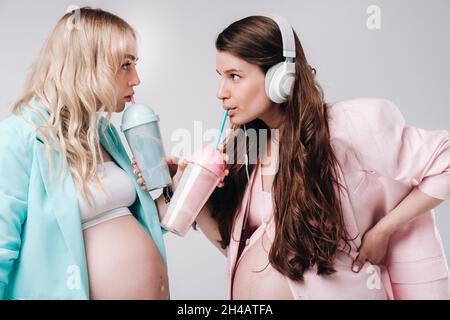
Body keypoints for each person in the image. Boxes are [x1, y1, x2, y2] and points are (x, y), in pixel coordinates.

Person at [137, 15, 450, 299]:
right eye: (221, 76)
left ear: (280, 79)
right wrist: (188, 190)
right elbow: (235, 248)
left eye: (234, 76)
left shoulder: (349, 125)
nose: (221, 91)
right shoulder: (247, 146)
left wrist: (384, 230)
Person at [0, 7, 170, 300]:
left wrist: (172, 192)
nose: (137, 79)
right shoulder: (18, 136)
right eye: (125, 65)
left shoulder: (106, 134)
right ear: (89, 65)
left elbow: (127, 222)